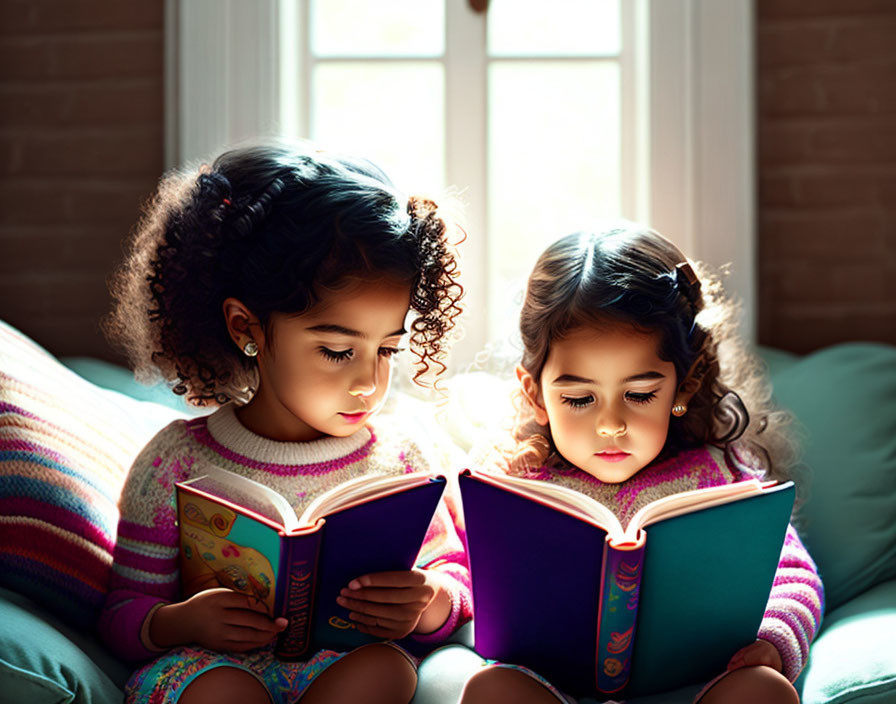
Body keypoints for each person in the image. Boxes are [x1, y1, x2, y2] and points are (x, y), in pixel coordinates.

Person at [99, 142, 470, 704]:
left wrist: (427, 602)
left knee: (388, 671)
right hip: (211, 671)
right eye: (338, 351)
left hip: (340, 671)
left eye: (388, 349)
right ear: (247, 326)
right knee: (219, 689)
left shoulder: (401, 458)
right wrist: (182, 623)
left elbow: (456, 581)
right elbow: (123, 616)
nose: (369, 381)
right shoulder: (174, 461)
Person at [459, 225, 823, 704]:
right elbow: (463, 585)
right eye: (579, 398)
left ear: (684, 386)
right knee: (492, 690)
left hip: (696, 688)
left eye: (639, 394)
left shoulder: (720, 473)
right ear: (537, 395)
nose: (611, 424)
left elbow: (794, 574)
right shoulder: (512, 480)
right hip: (554, 689)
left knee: (763, 691)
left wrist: (774, 640)